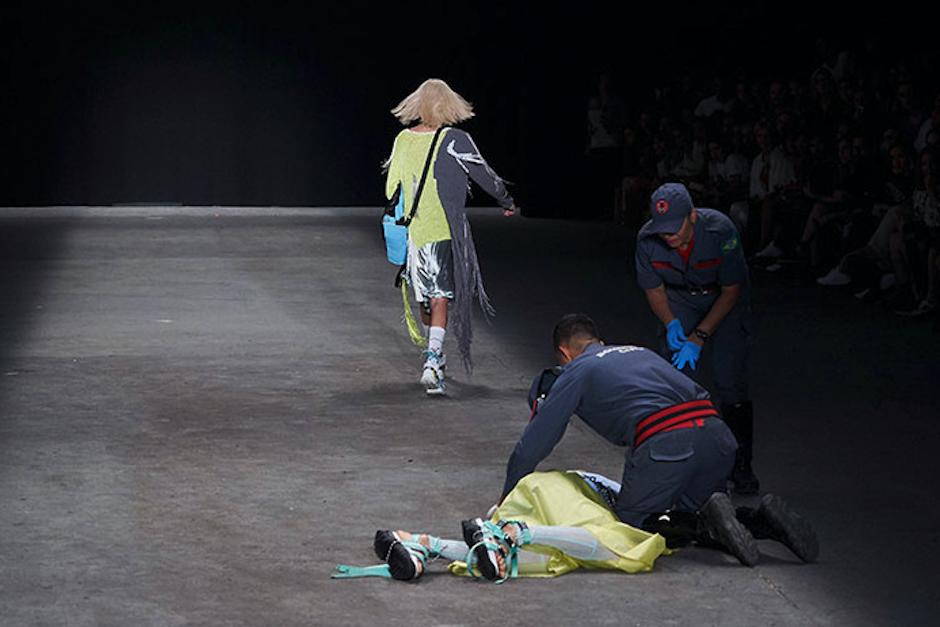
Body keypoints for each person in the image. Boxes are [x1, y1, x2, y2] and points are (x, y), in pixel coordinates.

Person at [498, 314, 816, 567]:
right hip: (718, 439)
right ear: (599, 339)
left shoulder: (576, 369)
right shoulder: (640, 352)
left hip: (668, 444)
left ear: (564, 353)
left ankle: (708, 522)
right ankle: (762, 520)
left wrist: (508, 501)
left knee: (632, 527)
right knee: (693, 512)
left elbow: (534, 445)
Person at [384, 79, 517, 394]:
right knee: (442, 293)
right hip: (443, 228)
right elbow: (484, 174)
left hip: (413, 231)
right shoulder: (456, 139)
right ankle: (432, 361)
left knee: (425, 296)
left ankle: (436, 355)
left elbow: (392, 188)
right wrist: (506, 201)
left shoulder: (403, 139)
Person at [634, 183, 759, 494]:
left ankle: (741, 465)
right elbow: (654, 290)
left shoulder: (720, 230)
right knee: (673, 378)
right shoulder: (648, 241)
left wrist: (700, 335)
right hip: (679, 299)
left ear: (692, 216)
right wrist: (672, 324)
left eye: (674, 229)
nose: (669, 237)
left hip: (722, 300)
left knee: (730, 378)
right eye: (662, 231)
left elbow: (732, 290)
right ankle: (679, 463)